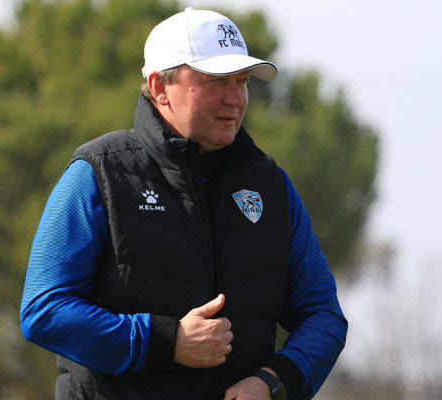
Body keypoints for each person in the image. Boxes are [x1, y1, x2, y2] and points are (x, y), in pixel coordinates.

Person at [20, 7, 347, 400]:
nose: (235, 98)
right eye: (215, 80)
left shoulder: (272, 187)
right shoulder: (99, 172)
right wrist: (165, 341)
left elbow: (324, 316)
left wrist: (273, 382)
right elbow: (44, 310)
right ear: (160, 86)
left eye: (241, 81)